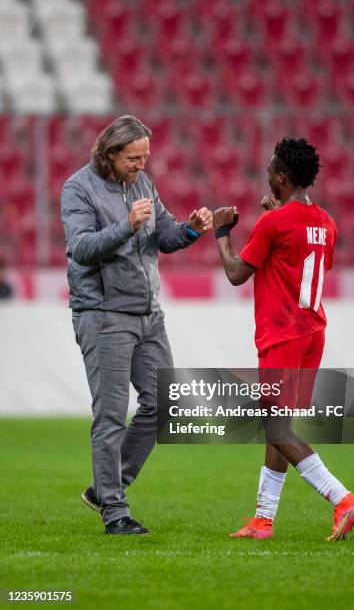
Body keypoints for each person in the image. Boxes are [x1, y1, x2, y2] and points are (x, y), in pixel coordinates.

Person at [61, 115, 212, 535]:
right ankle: (115, 512)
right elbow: (82, 248)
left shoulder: (143, 184)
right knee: (110, 415)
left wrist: (190, 230)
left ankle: (105, 488)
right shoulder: (78, 188)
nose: (142, 164)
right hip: (104, 314)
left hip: (148, 314)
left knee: (164, 403)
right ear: (110, 153)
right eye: (134, 157)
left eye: (145, 156)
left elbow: (163, 235)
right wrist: (125, 225)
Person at [213, 137, 354, 541]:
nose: (266, 174)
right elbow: (296, 254)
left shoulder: (272, 222)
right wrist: (277, 215)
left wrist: (222, 232)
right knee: (277, 427)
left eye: (270, 169)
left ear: (281, 176)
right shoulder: (327, 222)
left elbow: (235, 273)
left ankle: (343, 499)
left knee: (278, 429)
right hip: (312, 331)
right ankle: (263, 520)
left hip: (281, 334)